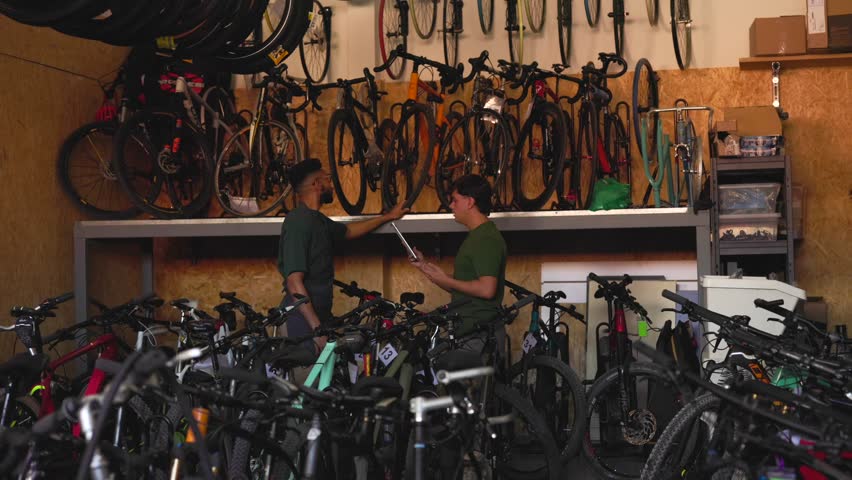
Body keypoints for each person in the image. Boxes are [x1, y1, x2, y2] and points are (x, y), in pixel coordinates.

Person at [278, 159, 407, 356]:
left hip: (317, 320)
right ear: (316, 184)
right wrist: (317, 330)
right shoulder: (298, 221)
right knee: (305, 383)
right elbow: (294, 283)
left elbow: (348, 231)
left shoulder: (318, 221)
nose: (332, 185)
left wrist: (388, 217)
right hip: (300, 323)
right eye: (327, 179)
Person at [410, 174, 507, 354]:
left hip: (479, 336)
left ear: (470, 202)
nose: (451, 206)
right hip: (470, 333)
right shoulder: (477, 236)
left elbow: (486, 289)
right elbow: (466, 287)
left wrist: (448, 281)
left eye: (455, 200)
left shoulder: (485, 238)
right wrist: (425, 267)